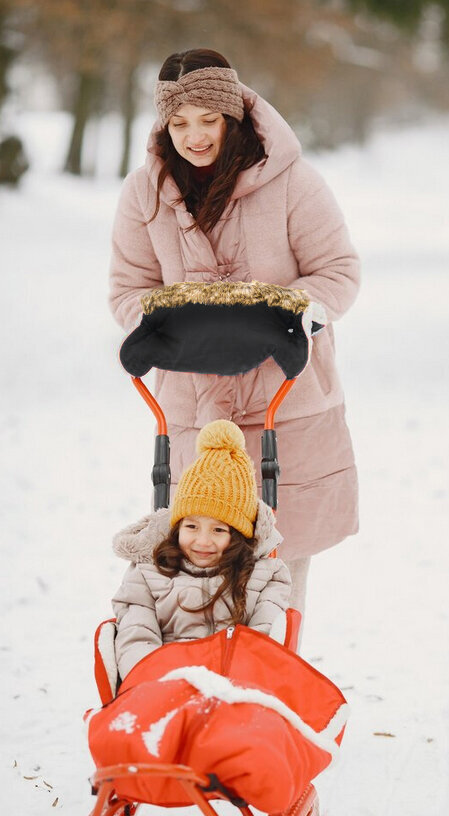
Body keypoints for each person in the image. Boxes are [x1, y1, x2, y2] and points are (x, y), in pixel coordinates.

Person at [109, 48, 360, 619]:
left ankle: (272, 693)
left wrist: (282, 313)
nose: (193, 136)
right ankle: (204, 697)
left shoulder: (293, 182)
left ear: (234, 116)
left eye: (207, 119)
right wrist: (169, 321)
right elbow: (128, 288)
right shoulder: (143, 194)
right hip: (194, 410)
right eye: (178, 123)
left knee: (279, 571)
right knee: (197, 570)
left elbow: (339, 272)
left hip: (283, 402)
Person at [112, 419, 291, 680]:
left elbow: (263, 639)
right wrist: (162, 681)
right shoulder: (147, 575)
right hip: (163, 685)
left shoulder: (264, 577)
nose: (203, 541)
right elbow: (136, 636)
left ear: (239, 535)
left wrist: (229, 683)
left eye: (219, 530)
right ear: (177, 527)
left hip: (234, 688)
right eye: (192, 526)